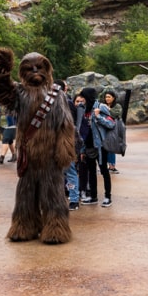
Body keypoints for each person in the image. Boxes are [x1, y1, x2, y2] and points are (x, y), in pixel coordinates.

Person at [78, 87, 113, 208]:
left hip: (100, 146)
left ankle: (108, 196)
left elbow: (111, 123)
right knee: (91, 172)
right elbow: (82, 130)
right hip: (88, 146)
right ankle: (93, 196)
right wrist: (82, 150)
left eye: (83, 96)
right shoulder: (83, 109)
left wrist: (99, 117)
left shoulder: (100, 107)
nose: (81, 99)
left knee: (104, 171)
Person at [55, 79, 80, 211]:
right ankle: (69, 198)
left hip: (65, 142)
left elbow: (73, 124)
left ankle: (74, 199)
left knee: (69, 171)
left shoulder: (67, 103)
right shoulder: (54, 104)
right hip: (58, 142)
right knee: (61, 172)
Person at [100, 89, 123, 174]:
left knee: (111, 148)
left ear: (113, 98)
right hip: (103, 129)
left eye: (109, 97)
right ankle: (103, 165)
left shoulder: (117, 106)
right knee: (103, 147)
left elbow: (117, 115)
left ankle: (112, 166)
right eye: (106, 97)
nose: (107, 99)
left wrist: (108, 110)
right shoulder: (102, 105)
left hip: (113, 129)